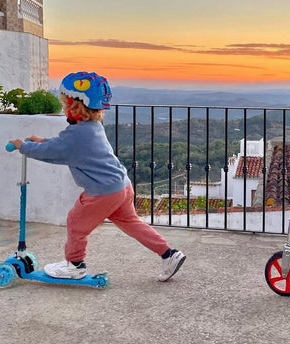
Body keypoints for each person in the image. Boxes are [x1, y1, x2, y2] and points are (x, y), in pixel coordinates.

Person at [9, 71, 186, 281]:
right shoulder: (92, 127)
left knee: (75, 222)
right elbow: (63, 146)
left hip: (102, 192)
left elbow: (55, 151)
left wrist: (24, 147)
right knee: (132, 223)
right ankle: (169, 254)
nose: (64, 107)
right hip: (121, 186)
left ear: (76, 106)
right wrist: (42, 140)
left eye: (66, 103)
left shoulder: (77, 135)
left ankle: (75, 265)